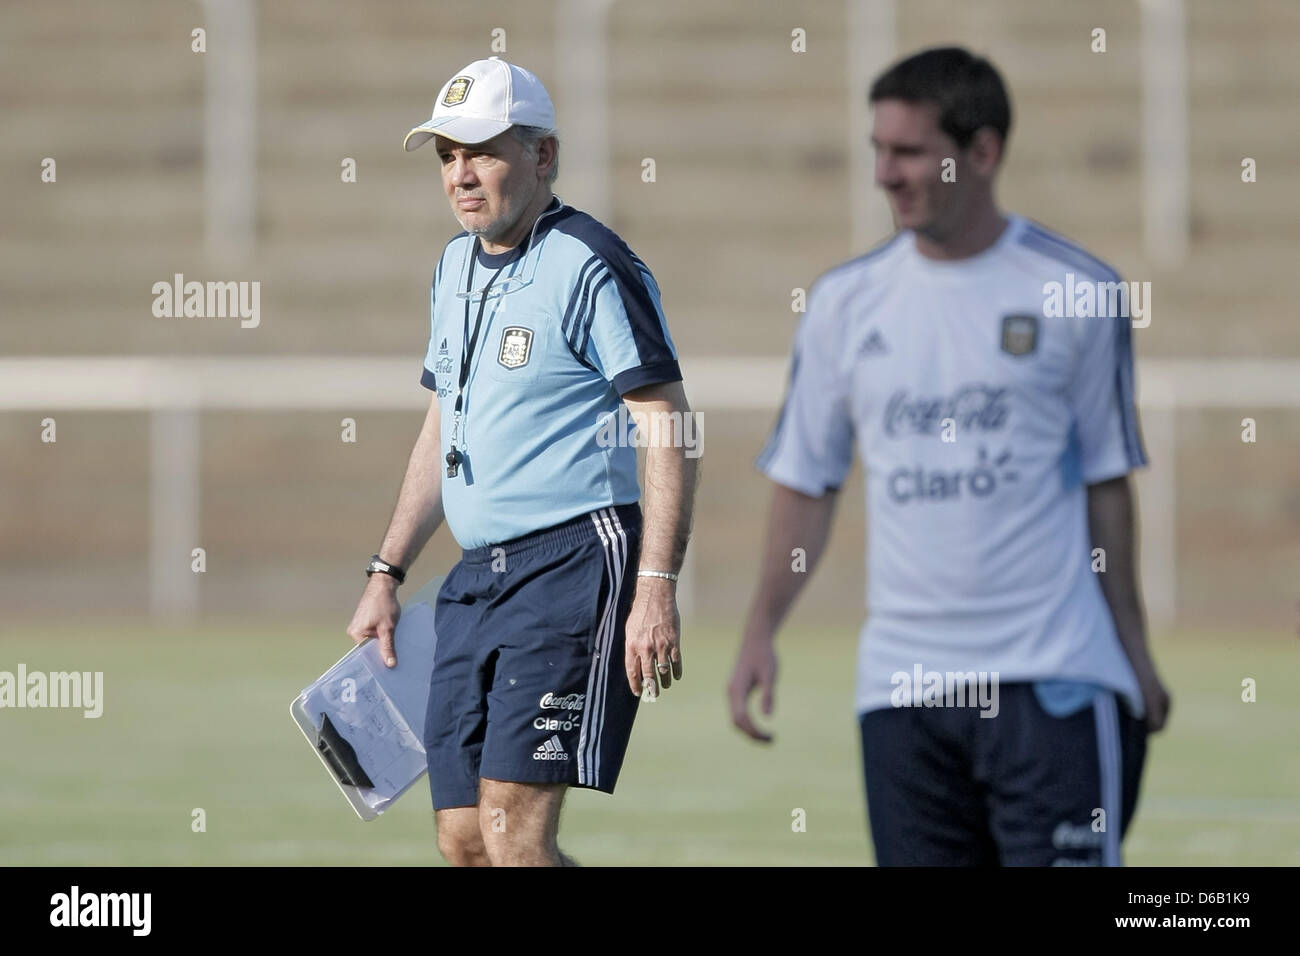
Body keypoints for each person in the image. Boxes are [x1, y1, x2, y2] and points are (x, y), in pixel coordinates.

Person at [728, 46, 1170, 866]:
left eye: (908, 152)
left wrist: (1134, 651)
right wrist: (761, 630)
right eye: (878, 151)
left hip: (1054, 679)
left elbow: (1109, 486)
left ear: (984, 152)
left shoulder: (1079, 293)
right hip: (903, 692)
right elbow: (807, 482)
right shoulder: (842, 305)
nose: (886, 175)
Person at [346, 57, 699, 867]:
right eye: (446, 157)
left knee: (513, 831)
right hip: (479, 576)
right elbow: (446, 423)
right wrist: (387, 570)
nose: (461, 175)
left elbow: (665, 422)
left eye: (483, 151)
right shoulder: (452, 268)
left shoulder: (590, 262)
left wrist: (655, 588)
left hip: (575, 562)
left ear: (543, 156)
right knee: (465, 840)